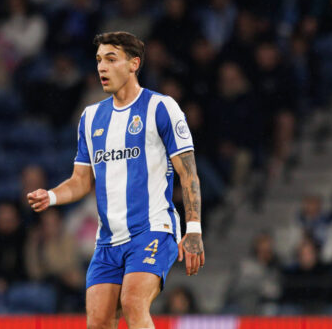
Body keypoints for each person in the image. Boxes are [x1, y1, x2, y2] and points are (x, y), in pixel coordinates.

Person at [28, 31, 204, 329]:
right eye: (98, 60)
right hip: (108, 240)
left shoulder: (161, 107)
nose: (102, 68)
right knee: (98, 322)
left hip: (152, 229)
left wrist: (195, 228)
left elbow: (188, 173)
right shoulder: (90, 117)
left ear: (134, 64)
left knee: (134, 304)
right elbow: (81, 181)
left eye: (111, 59)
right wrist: (53, 196)